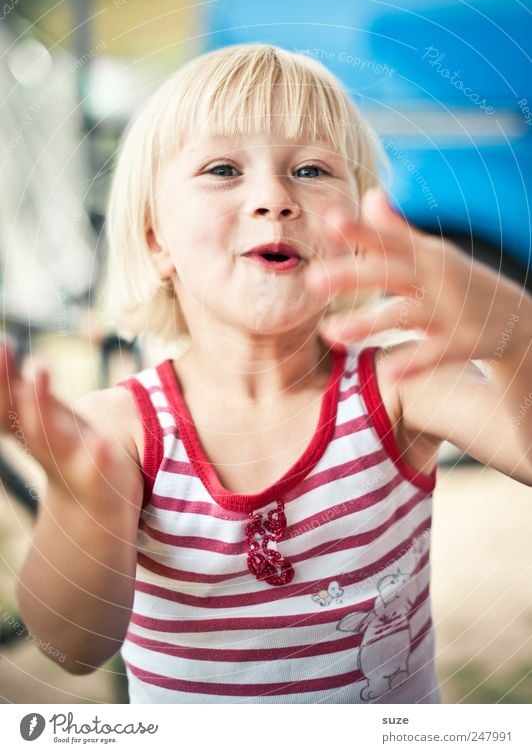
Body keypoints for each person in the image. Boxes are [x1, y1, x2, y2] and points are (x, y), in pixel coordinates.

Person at [2, 44, 530, 704]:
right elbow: (69, 646)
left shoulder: (401, 387)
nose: (274, 197)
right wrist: (88, 509)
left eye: (310, 169)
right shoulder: (120, 431)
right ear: (156, 238)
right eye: (223, 168)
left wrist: (518, 334)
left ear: (360, 228)